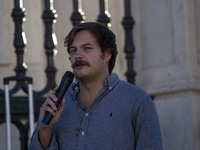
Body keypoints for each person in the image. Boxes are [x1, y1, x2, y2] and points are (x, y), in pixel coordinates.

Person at [29, 22, 162, 150]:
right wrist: (45, 129)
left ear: (107, 54)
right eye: (73, 50)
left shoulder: (137, 101)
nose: (78, 56)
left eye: (87, 48)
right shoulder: (59, 102)